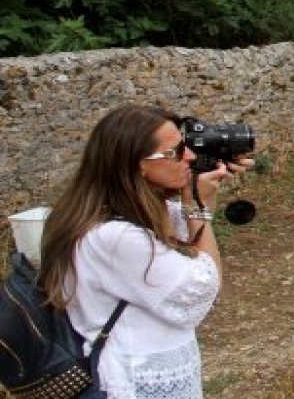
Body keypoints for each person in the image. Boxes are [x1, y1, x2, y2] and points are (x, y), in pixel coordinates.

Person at [37, 105, 253, 398]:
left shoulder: (109, 215)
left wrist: (200, 180)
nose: (189, 156)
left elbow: (177, 231)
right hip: (135, 384)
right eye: (175, 152)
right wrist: (199, 211)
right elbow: (204, 288)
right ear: (138, 165)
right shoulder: (115, 238)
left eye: (187, 147)